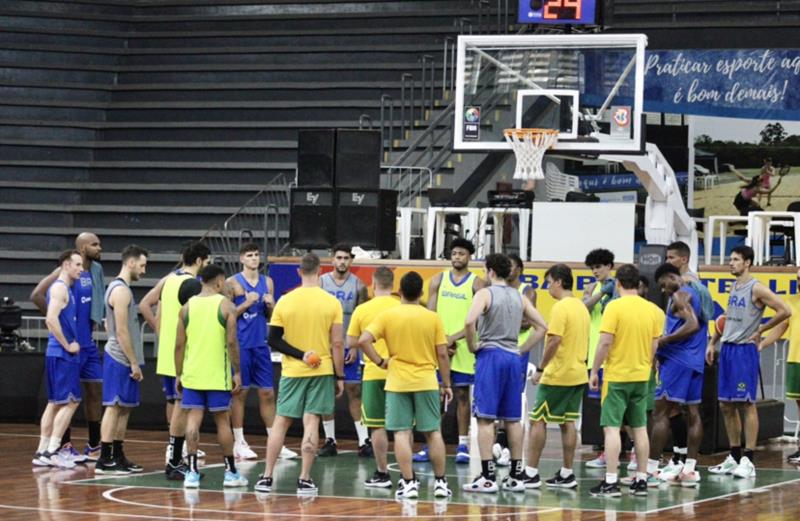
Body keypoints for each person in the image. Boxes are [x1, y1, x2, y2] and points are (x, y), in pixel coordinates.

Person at [254, 253, 344, 494]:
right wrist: (340, 375)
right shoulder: (331, 302)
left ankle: (266, 476)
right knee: (312, 420)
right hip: (322, 369)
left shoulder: (285, 301)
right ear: (320, 271)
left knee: (281, 421)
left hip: (293, 371)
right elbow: (337, 343)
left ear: (299, 272)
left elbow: (273, 339)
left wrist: (300, 354)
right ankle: (304, 478)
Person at [359, 271, 453, 500]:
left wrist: (381, 361)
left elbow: (363, 340)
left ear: (399, 292)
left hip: (397, 381)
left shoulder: (388, 316)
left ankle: (409, 483)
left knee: (401, 433)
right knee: (433, 432)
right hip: (426, 380)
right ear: (421, 293)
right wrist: (447, 383)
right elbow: (442, 354)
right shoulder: (432, 317)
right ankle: (441, 483)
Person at [462, 254, 547, 493]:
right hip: (512, 358)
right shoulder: (519, 296)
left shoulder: (485, 293)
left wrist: (471, 346)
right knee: (512, 419)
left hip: (490, 355)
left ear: (490, 271)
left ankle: (488, 476)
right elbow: (543, 327)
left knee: (486, 418)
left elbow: (469, 322)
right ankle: (516, 475)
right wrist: (521, 349)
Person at [706, 245, 791, 478]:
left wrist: (761, 330)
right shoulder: (734, 287)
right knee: (725, 404)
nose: (731, 263)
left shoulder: (757, 288)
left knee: (746, 404)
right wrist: (712, 342)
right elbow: (726, 320)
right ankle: (734, 456)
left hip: (745, 352)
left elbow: (785, 310)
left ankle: (749, 459)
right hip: (728, 350)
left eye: (735, 259)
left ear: (748, 263)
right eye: (730, 259)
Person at [589, 264, 663, 498]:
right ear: (638, 284)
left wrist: (594, 370)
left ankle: (611, 481)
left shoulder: (614, 307)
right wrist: (645, 366)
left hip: (617, 376)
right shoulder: (654, 310)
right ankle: (641, 480)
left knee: (611, 428)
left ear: (618, 283)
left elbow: (604, 342)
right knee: (640, 428)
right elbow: (654, 346)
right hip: (642, 376)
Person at [31, 232, 106, 462]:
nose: (100, 248)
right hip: (68, 346)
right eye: (95, 244)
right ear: (82, 248)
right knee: (66, 399)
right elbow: (36, 295)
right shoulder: (64, 274)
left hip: (87, 344)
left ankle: (94, 446)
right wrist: (60, 324)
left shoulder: (94, 271)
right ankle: (59, 447)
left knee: (94, 391)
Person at [138, 242, 208, 479]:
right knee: (182, 405)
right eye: (206, 262)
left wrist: (160, 329)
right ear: (199, 261)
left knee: (176, 403)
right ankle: (176, 457)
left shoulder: (168, 279)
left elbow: (144, 304)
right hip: (184, 353)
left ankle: (174, 451)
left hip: (167, 351)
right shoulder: (193, 284)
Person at [174, 264, 247, 489]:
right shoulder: (226, 306)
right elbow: (232, 342)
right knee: (222, 422)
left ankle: (192, 473)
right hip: (218, 374)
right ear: (218, 281)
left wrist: (178, 374)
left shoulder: (186, 307)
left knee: (193, 421)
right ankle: (230, 472)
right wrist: (237, 371)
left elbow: (178, 345)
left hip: (193, 373)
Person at [226, 243, 297, 461]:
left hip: (261, 344)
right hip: (241, 344)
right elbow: (228, 316)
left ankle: (275, 442)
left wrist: (271, 305)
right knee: (240, 393)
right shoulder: (232, 283)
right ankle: (239, 441)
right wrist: (246, 304)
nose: (254, 258)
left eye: (256, 255)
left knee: (268, 393)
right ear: (241, 259)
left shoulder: (268, 282)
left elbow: (273, 317)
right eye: (249, 255)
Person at [524, 263, 590, 490]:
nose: (547, 287)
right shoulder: (581, 307)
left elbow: (554, 340)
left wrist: (541, 368)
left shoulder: (561, 308)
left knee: (537, 420)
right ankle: (567, 473)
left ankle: (531, 472)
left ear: (559, 282)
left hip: (559, 373)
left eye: (549, 282)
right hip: (578, 373)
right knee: (568, 421)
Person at [423, 238, 485, 464]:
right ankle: (431, 443)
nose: (457, 257)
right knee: (435, 395)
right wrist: (440, 340)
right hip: (440, 346)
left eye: (462, 254)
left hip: (462, 347)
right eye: (454, 253)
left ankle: (463, 443)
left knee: (461, 395)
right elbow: (430, 315)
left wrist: (454, 338)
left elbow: (478, 319)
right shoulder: (438, 280)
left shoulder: (477, 284)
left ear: (470, 257)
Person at [649, 263, 706, 487]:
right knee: (692, 412)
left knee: (660, 413)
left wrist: (663, 341)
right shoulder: (697, 293)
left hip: (678, 360)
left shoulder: (680, 296)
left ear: (673, 276)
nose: (664, 290)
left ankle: (651, 470)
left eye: (664, 284)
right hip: (694, 361)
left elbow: (691, 324)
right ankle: (689, 469)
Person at [95, 245, 149, 475]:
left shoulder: (122, 289)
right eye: (142, 265)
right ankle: (104, 458)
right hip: (119, 357)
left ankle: (117, 454)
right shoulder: (120, 291)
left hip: (124, 357)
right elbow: (122, 331)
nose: (144, 270)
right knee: (115, 405)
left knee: (125, 408)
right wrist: (133, 361)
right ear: (130, 263)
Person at [346, 267, 400, 488]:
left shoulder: (362, 309)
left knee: (377, 426)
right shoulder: (401, 307)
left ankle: (382, 473)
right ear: (393, 285)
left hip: (374, 373)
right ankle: (407, 477)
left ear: (374, 285)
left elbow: (351, 342)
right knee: (402, 426)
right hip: (400, 373)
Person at [33, 250, 84, 469]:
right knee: (72, 401)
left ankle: (43, 450)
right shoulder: (61, 288)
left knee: (54, 403)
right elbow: (50, 319)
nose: (81, 269)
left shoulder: (65, 289)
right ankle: (53, 450)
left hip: (56, 354)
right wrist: (68, 345)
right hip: (62, 354)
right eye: (78, 265)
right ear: (66, 265)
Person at [319, 244, 369, 457]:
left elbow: (362, 318)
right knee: (326, 393)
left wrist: (356, 346)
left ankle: (364, 440)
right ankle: (330, 439)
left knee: (353, 391)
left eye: (346, 258)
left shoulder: (359, 286)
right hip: (326, 346)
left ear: (351, 260)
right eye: (338, 257)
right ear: (332, 259)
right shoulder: (321, 283)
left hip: (348, 345)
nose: (342, 261)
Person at [492, 253, 538, 467]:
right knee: (497, 394)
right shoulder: (496, 289)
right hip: (497, 348)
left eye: (512, 266)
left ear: (520, 269)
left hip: (517, 349)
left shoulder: (527, 291)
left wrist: (504, 322)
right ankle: (500, 439)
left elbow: (529, 321)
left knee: (513, 396)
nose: (509, 270)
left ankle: (509, 446)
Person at [759, 267, 800, 463]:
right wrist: (761, 344)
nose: (799, 282)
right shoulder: (791, 303)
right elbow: (779, 329)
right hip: (795, 360)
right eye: (798, 278)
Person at [582, 248, 617, 469]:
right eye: (593, 267)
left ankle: (631, 451)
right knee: (600, 409)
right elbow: (585, 307)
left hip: (612, 356)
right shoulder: (593, 288)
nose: (595, 271)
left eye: (599, 267)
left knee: (615, 407)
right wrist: (599, 292)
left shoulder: (619, 287)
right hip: (594, 355)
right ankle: (604, 452)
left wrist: (606, 291)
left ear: (609, 267)